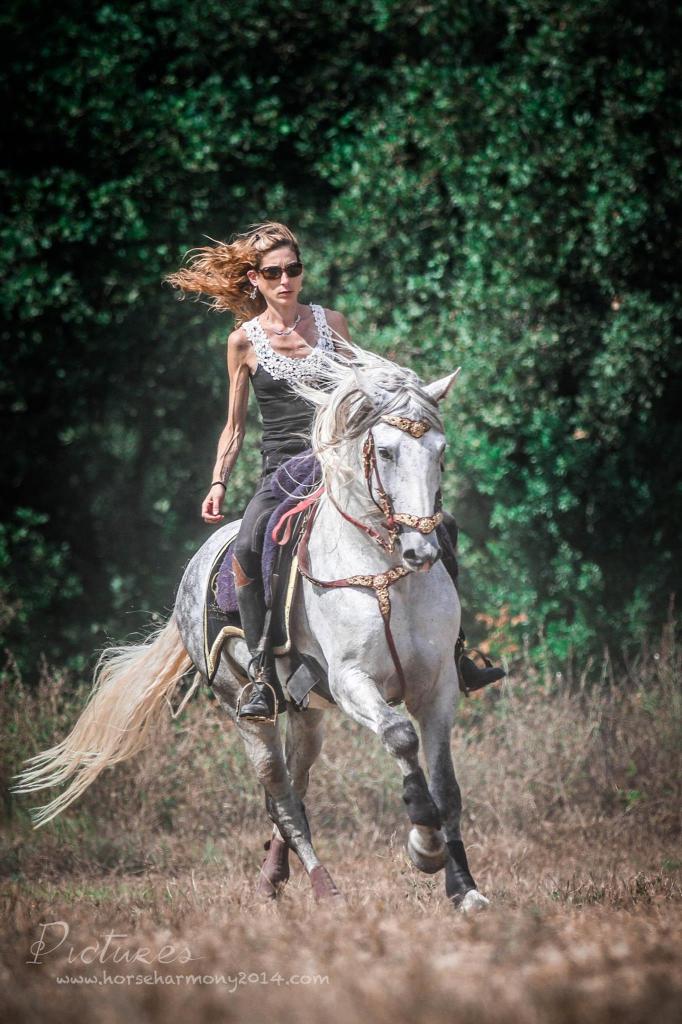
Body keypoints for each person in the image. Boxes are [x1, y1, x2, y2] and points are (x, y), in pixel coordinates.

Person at [167, 222, 504, 721]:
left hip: (341, 461)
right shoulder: (243, 342)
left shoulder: (331, 324)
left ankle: (456, 652)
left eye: (294, 270)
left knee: (442, 524)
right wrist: (218, 481)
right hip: (283, 468)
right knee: (249, 540)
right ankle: (261, 672)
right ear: (255, 279)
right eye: (274, 272)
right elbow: (234, 427)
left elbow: (361, 393)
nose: (286, 280)